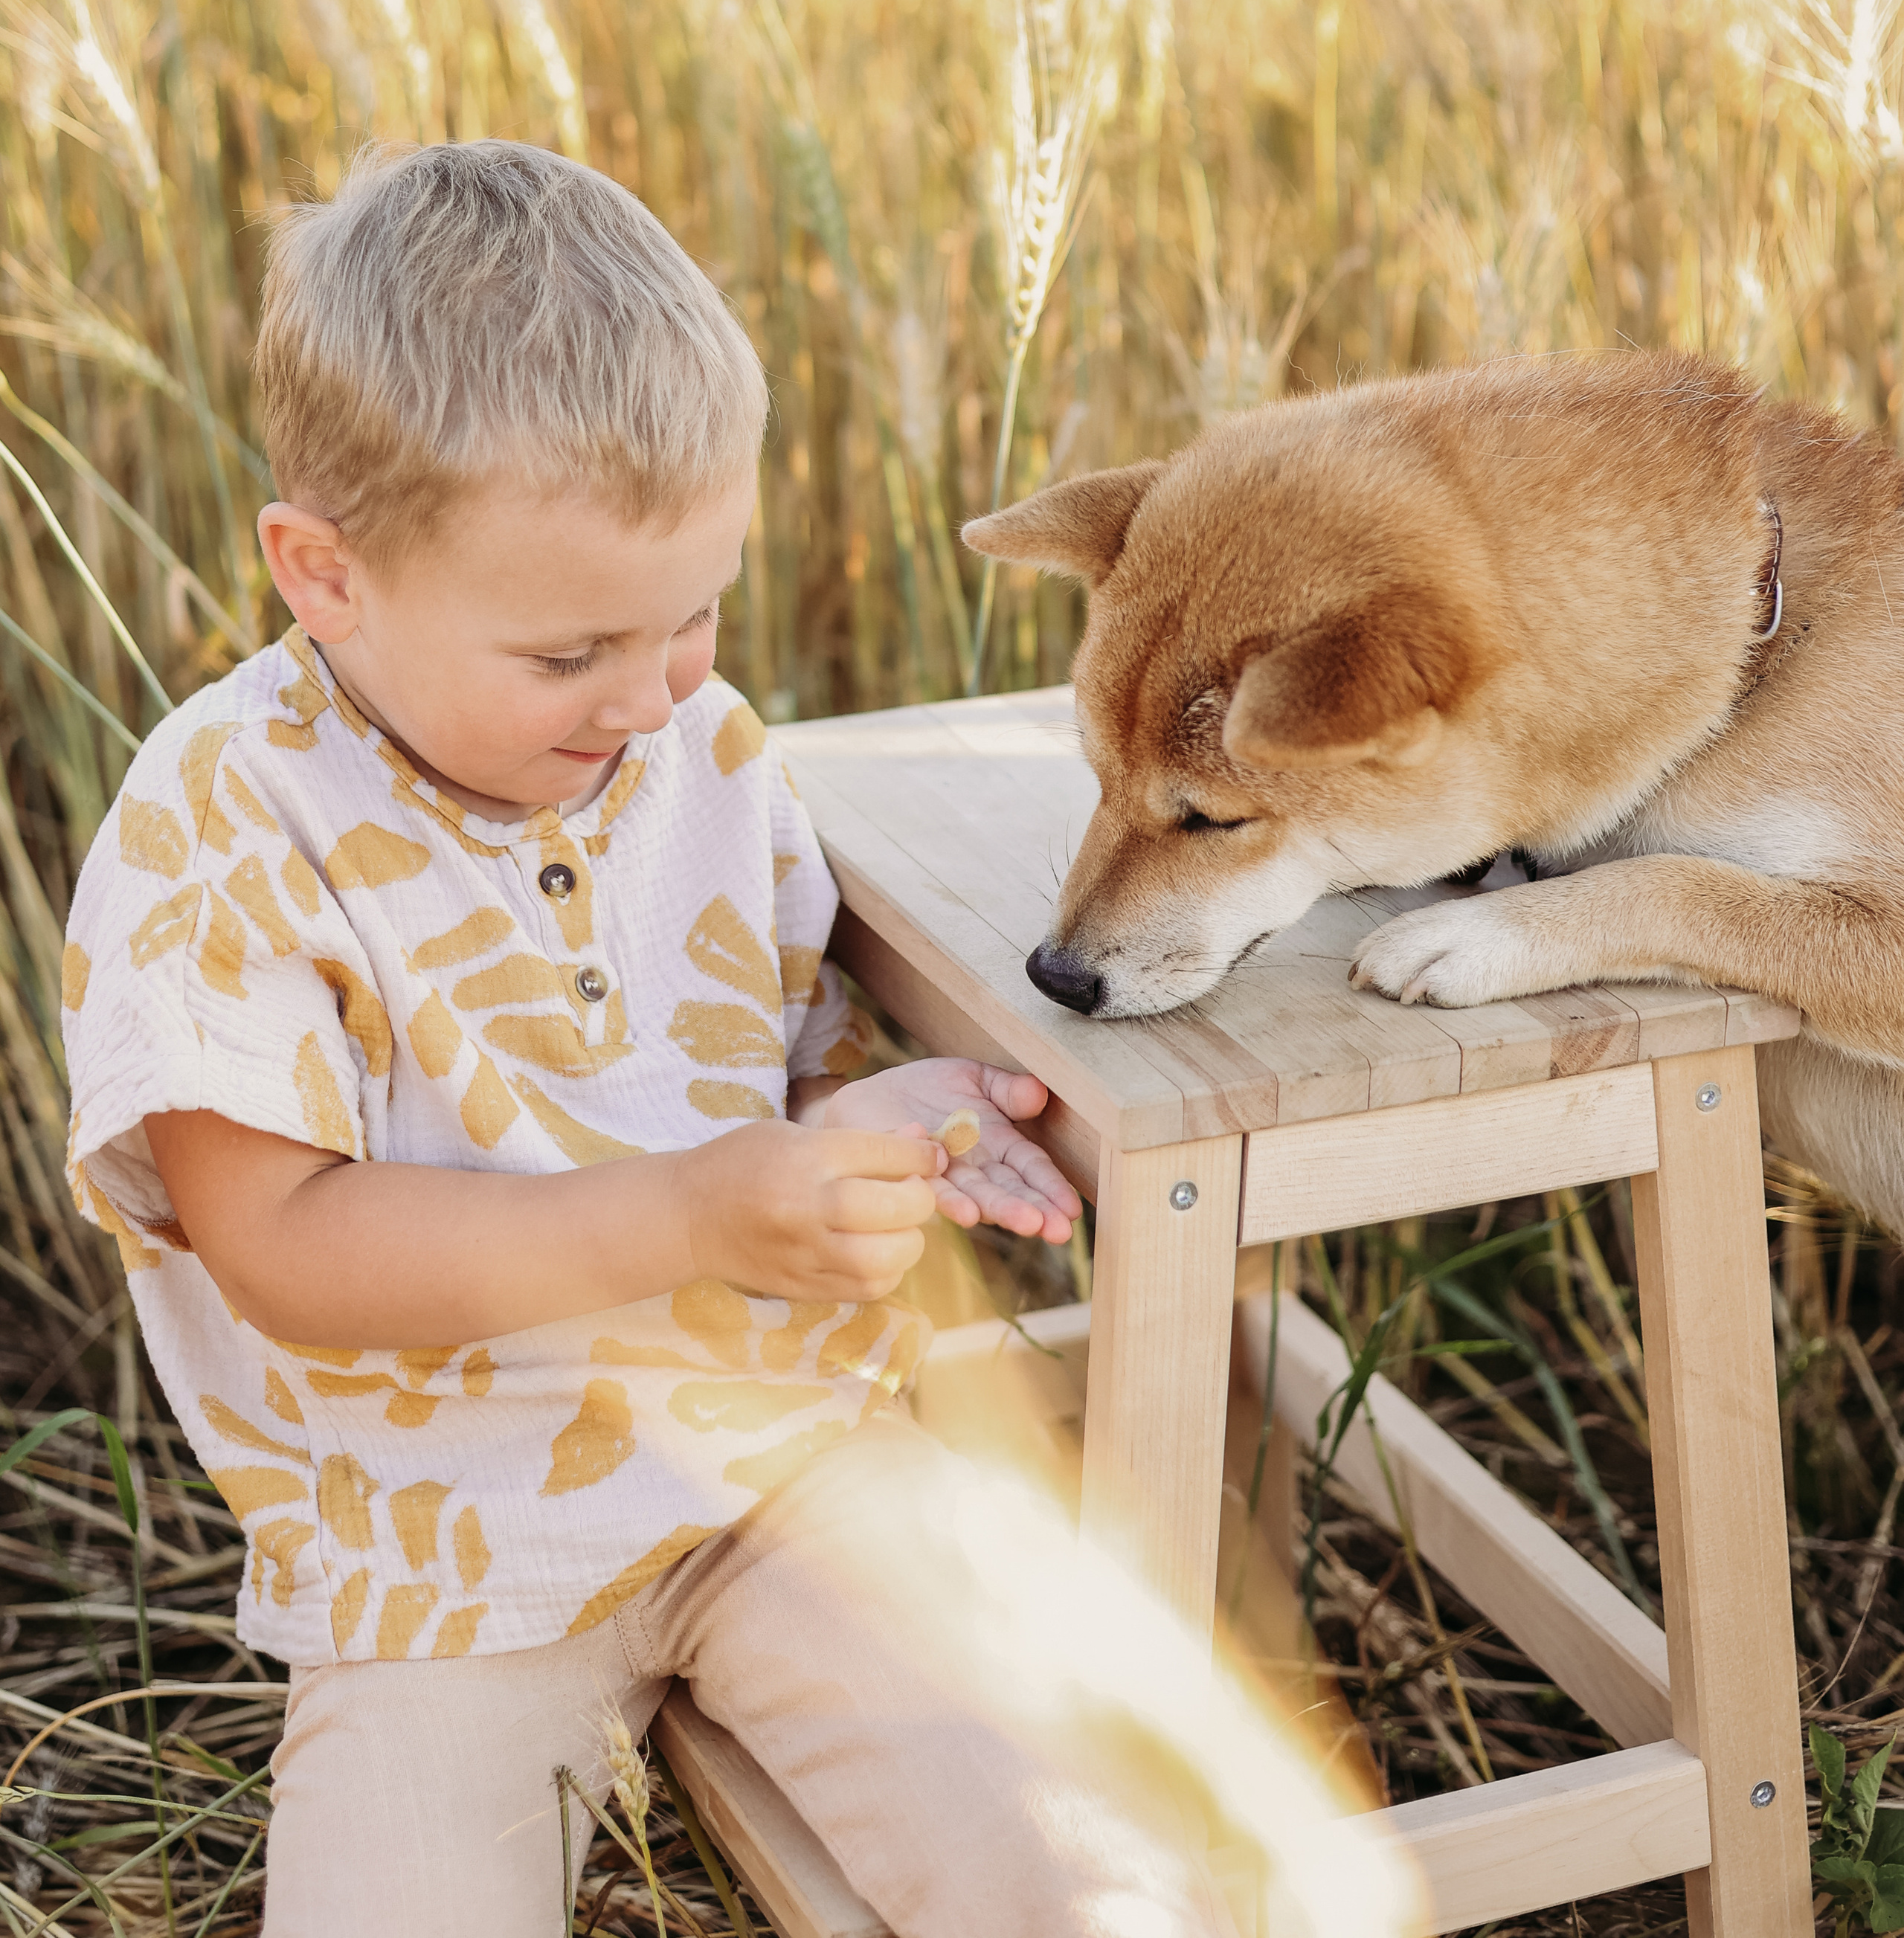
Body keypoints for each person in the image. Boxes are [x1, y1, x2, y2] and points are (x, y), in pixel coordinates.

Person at [60, 141, 1403, 1938]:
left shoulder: (705, 756)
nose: (652, 691)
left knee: (1082, 1864)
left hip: (793, 1465)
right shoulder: (223, 827)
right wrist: (694, 1210)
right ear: (326, 575)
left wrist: (874, 1130)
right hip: (437, 1564)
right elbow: (284, 1250)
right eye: (569, 654)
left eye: (694, 611)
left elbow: (768, 1065)